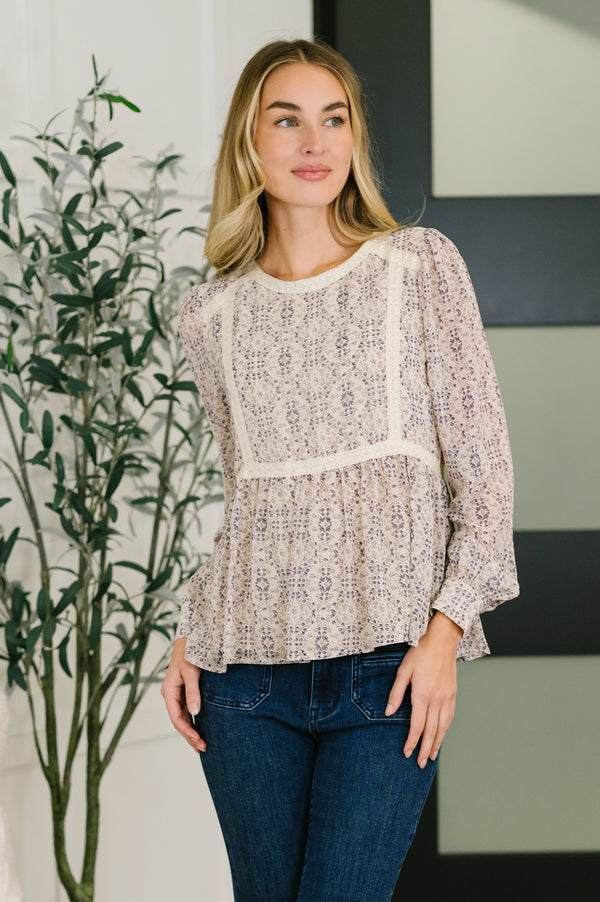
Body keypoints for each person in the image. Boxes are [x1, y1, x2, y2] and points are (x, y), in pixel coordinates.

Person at [161, 38, 519, 902]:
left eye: (335, 118)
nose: (314, 141)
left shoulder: (420, 268)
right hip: (242, 685)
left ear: (355, 138)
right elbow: (248, 497)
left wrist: (444, 635)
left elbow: (486, 476)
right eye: (287, 119)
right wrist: (191, 632)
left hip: (387, 675)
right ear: (250, 141)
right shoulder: (211, 316)